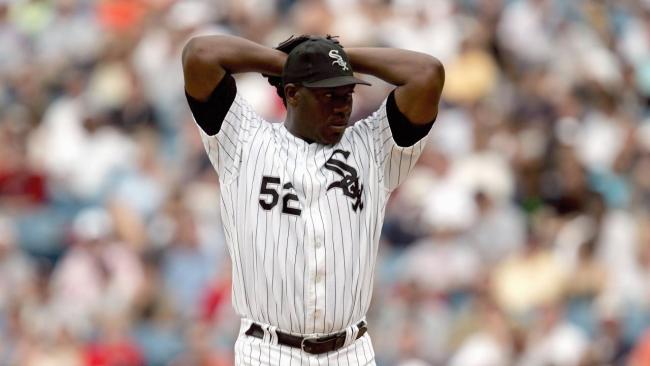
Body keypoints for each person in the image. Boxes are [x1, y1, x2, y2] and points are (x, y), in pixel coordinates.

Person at [182, 33, 444, 365]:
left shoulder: (374, 148)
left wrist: (333, 57)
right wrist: (287, 63)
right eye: (328, 95)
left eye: (347, 94)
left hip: (350, 352)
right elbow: (199, 53)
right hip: (268, 351)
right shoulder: (244, 142)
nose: (342, 106)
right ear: (293, 94)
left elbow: (427, 73)